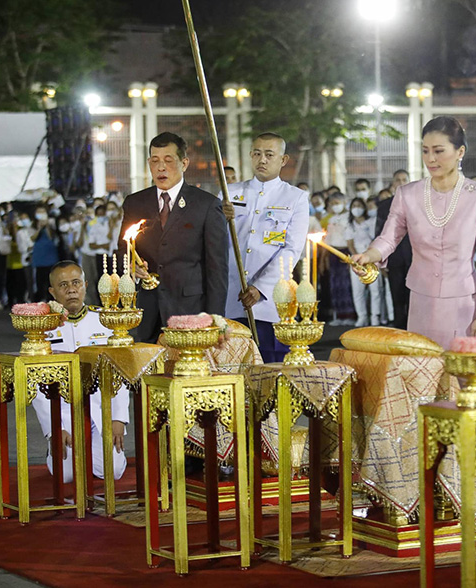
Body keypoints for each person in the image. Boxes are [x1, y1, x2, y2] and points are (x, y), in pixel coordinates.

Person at [353, 116, 476, 348]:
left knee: (459, 375)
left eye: (439, 151)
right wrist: (369, 256)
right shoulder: (408, 194)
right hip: (420, 298)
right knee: (422, 371)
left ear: (460, 152)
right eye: (426, 151)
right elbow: (389, 236)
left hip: (462, 302)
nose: (431, 159)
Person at [118, 132, 229, 343]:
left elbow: (217, 268)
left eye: (168, 161)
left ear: (184, 163)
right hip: (145, 308)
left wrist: (216, 317)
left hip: (190, 309)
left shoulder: (205, 205)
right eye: (155, 161)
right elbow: (124, 248)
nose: (161, 167)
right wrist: (131, 266)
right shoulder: (135, 203)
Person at [34, 261, 129, 483]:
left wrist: (118, 418)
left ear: (86, 285)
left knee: (112, 471)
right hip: (63, 410)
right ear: (52, 291)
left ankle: (92, 448)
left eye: (76, 282)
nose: (71, 289)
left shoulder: (105, 322)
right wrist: (54, 428)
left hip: (100, 409)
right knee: (65, 475)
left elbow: (120, 374)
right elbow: (37, 385)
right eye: (63, 285)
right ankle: (56, 448)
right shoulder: (41, 329)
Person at [223, 132, 309, 362]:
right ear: (251, 156)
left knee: (269, 370)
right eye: (257, 153)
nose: (262, 160)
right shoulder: (230, 193)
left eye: (269, 155)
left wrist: (260, 288)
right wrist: (219, 218)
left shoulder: (295, 198)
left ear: (283, 160)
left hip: (269, 301)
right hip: (231, 297)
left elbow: (292, 249)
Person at [375, 169, 412, 329]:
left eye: (405, 179)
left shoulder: (418, 203)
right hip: (394, 258)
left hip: (415, 258)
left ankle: (413, 330)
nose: (401, 182)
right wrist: (381, 259)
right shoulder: (384, 206)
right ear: (393, 183)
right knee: (397, 296)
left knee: (413, 297)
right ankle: (398, 329)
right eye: (398, 180)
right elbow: (380, 233)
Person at [346, 197, 381, 326]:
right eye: (354, 205)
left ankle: (375, 316)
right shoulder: (350, 225)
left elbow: (377, 238)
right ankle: (362, 316)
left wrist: (369, 255)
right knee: (358, 290)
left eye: (359, 205)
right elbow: (349, 243)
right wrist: (357, 258)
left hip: (372, 257)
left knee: (375, 289)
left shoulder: (371, 222)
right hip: (356, 259)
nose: (356, 208)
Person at [324, 193, 355, 325]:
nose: (334, 206)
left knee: (345, 284)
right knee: (334, 284)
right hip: (333, 252)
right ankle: (338, 315)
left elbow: (349, 240)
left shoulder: (348, 218)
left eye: (337, 203)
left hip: (344, 251)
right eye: (332, 203)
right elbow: (328, 239)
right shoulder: (331, 219)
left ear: (344, 202)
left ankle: (349, 315)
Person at [31, 204, 59, 302]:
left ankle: (50, 300)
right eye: (39, 212)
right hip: (39, 255)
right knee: (39, 280)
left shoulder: (51, 223)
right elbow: (33, 238)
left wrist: (47, 226)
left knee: (50, 280)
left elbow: (51, 236)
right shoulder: (33, 224)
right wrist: (39, 228)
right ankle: (39, 299)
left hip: (50, 255)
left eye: (43, 212)